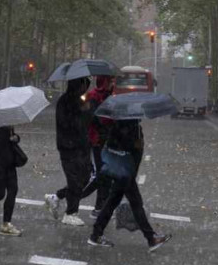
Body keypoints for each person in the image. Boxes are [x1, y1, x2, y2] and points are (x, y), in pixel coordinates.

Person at [88, 118, 171, 251]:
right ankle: (151, 238)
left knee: (112, 203)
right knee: (136, 203)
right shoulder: (128, 126)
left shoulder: (122, 125)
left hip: (122, 171)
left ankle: (95, 235)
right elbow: (128, 148)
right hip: (125, 173)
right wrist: (136, 144)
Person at [45, 77, 91, 226]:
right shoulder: (65, 101)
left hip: (82, 146)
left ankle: (56, 197)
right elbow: (67, 124)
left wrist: (86, 111)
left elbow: (85, 123)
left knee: (85, 177)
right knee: (75, 180)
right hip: (69, 147)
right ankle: (71, 213)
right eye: (84, 84)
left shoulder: (79, 100)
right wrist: (81, 112)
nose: (86, 88)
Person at [82, 75, 117, 215]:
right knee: (103, 175)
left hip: (109, 140)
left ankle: (99, 206)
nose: (113, 83)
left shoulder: (113, 96)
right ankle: (70, 196)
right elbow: (93, 117)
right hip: (98, 140)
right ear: (104, 81)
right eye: (111, 80)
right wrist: (105, 128)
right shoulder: (93, 96)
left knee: (106, 176)